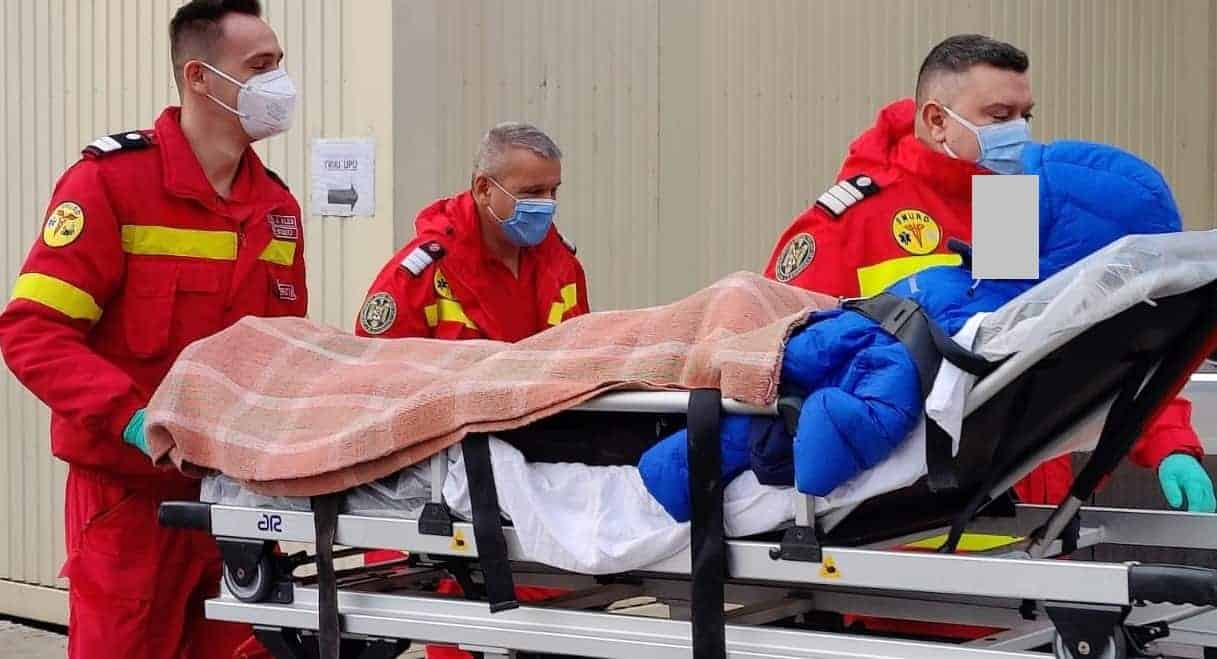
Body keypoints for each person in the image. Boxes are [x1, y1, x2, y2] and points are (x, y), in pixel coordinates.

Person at [764, 34, 1212, 512]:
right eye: (999, 117)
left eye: (1025, 116)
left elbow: (1085, 343)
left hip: (1020, 503)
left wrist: (1168, 442)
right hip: (900, 517)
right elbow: (773, 358)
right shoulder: (855, 220)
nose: (1017, 132)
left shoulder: (1008, 202)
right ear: (937, 120)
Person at [0, 1, 305, 656]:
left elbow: (283, 352)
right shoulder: (111, 184)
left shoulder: (276, 206)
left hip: (238, 505)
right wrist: (135, 421)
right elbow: (33, 332)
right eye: (260, 66)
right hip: (130, 504)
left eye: (279, 64)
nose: (279, 83)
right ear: (200, 77)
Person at [355, 121, 589, 659]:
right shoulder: (422, 273)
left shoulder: (560, 264)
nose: (547, 205)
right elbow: (370, 384)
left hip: (539, 488)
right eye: (532, 192)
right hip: (449, 494)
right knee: (465, 637)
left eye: (553, 190)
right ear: (484, 188)